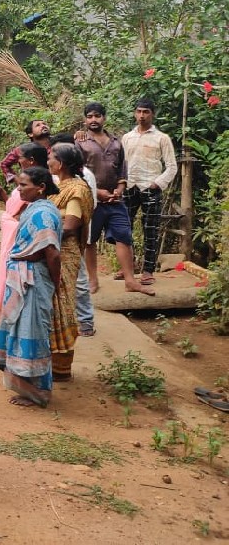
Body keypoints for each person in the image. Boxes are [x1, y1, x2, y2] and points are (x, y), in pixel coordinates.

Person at [0, 167, 61, 408]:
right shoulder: (34, 208)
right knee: (21, 328)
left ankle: (39, 391)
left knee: (34, 330)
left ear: (40, 187)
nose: (18, 189)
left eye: (23, 185)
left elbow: (52, 253)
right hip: (24, 276)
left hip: (34, 278)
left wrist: (54, 282)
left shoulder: (44, 213)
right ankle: (26, 384)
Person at [75, 102, 154, 296]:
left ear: (104, 118)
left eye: (97, 116)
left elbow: (122, 170)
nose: (93, 120)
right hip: (91, 201)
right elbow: (77, 173)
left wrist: (119, 189)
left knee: (124, 237)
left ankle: (130, 281)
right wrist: (97, 192)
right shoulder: (80, 143)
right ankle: (93, 280)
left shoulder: (116, 143)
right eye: (90, 116)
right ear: (85, 120)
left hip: (116, 201)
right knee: (90, 240)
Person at [46, 143, 93, 381]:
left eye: (51, 157)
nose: (48, 162)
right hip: (52, 249)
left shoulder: (76, 189)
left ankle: (61, 365)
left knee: (61, 304)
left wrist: (40, 238)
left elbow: (71, 225)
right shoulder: (58, 186)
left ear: (61, 163)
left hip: (64, 252)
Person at [0, 143, 48, 323]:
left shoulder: (37, 181)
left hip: (19, 236)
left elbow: (25, 212)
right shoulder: (27, 179)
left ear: (31, 160)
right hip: (13, 232)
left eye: (20, 157)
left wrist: (11, 219)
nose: (17, 161)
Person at [122, 97, 178, 285]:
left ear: (153, 114)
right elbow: (122, 164)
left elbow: (172, 166)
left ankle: (148, 271)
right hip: (129, 187)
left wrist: (157, 183)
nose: (142, 116)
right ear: (134, 113)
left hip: (151, 188)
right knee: (124, 229)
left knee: (151, 230)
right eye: (139, 111)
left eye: (146, 112)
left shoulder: (161, 138)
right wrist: (121, 183)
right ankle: (127, 268)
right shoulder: (127, 137)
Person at [0, 119, 51, 184]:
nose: (43, 126)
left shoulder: (58, 143)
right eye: (38, 125)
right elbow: (4, 164)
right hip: (34, 184)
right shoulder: (23, 150)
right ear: (30, 134)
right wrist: (16, 179)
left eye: (44, 124)